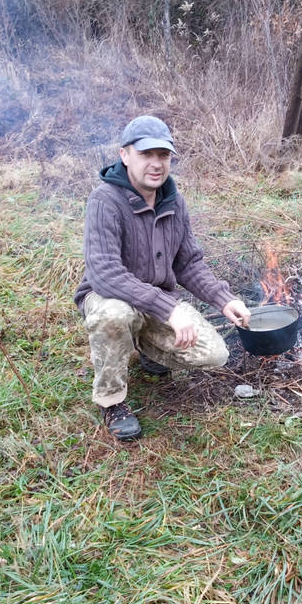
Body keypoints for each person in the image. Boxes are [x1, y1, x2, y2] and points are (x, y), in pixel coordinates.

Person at [74, 115, 251, 441]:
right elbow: (105, 273)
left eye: (163, 155)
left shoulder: (174, 201)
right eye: (146, 154)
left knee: (215, 354)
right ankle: (112, 401)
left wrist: (224, 300)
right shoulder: (105, 200)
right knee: (115, 316)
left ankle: (147, 348)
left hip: (155, 303)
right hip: (109, 296)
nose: (156, 164)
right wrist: (170, 309)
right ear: (125, 155)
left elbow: (189, 264)